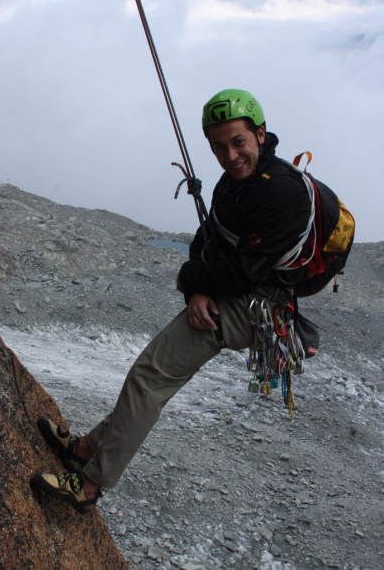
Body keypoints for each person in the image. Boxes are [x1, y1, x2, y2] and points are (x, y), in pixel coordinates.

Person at [30, 88, 313, 513]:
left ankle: (89, 484)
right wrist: (198, 287)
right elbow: (207, 239)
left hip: (258, 308)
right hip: (240, 296)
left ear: (260, 133)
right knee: (155, 374)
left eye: (238, 142)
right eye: (219, 147)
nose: (230, 155)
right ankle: (88, 447)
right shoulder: (235, 184)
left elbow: (244, 271)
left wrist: (187, 278)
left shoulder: (283, 193)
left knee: (151, 376)